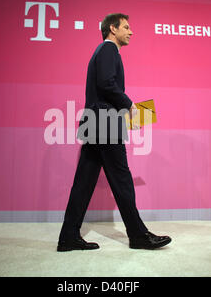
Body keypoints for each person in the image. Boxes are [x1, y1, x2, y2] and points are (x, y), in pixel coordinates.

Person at [58, 13, 172, 251]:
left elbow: (103, 87)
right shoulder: (109, 50)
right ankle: (139, 235)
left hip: (96, 123)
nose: (131, 32)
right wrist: (130, 106)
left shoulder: (101, 51)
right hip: (105, 123)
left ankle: (68, 236)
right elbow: (107, 84)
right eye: (127, 27)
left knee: (84, 182)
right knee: (121, 179)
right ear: (113, 28)